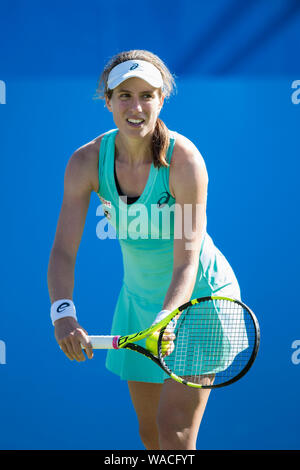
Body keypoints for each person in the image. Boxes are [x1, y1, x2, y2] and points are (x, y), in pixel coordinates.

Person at [47, 49, 241, 450]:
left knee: (175, 435)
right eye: (124, 95)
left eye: (147, 95)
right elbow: (64, 250)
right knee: (151, 436)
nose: (136, 107)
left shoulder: (184, 161)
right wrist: (63, 314)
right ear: (108, 100)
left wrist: (169, 316)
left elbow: (187, 262)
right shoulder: (85, 163)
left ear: (161, 99)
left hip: (199, 302)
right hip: (138, 303)